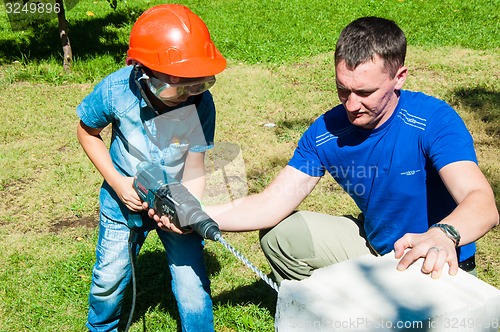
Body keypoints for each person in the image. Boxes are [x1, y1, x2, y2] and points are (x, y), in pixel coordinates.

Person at [189, 16, 497, 283]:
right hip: (376, 249)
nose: (351, 105)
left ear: (399, 77)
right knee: (280, 235)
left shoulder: (433, 121)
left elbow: (482, 204)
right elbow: (272, 203)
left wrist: (444, 234)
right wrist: (194, 214)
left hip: (437, 262)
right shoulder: (326, 132)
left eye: (365, 92)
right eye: (342, 89)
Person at [76, 4, 226, 331]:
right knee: (109, 279)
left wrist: (188, 210)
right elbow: (87, 132)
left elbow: (195, 162)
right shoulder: (117, 91)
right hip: (122, 201)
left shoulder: (200, 103)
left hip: (173, 200)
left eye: (199, 83)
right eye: (178, 85)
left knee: (192, 286)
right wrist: (117, 183)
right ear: (143, 71)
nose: (189, 93)